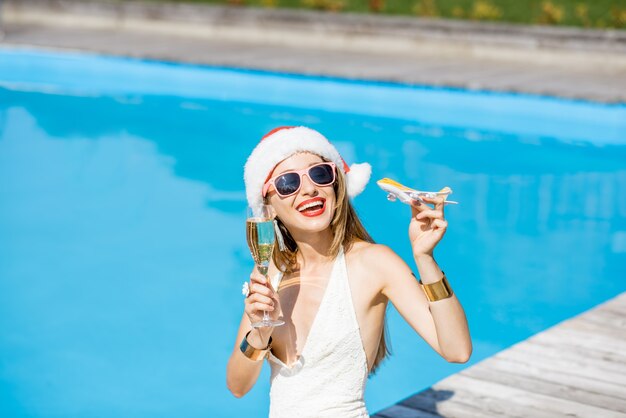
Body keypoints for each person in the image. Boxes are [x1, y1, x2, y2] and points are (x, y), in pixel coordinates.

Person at [226, 126, 472, 417]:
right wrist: (260, 333)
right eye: (288, 183)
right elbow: (238, 386)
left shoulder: (374, 263)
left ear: (336, 185)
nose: (308, 189)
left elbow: (457, 350)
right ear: (269, 207)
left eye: (319, 174)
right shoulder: (271, 270)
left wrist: (425, 258)